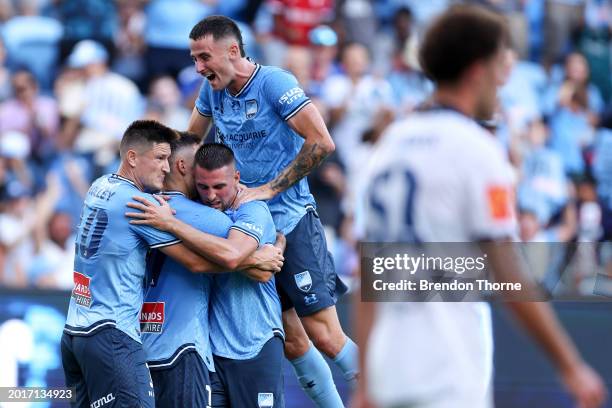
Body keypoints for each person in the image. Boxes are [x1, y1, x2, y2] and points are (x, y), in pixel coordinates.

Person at [354, 5, 607, 408]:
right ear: (477, 70)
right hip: (447, 371)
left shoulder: (389, 146)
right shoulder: (474, 147)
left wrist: (365, 384)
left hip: (390, 371)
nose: (504, 78)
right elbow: (509, 272)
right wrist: (570, 365)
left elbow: (370, 278)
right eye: (499, 65)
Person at [186, 15, 357, 407]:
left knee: (327, 336)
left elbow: (322, 142)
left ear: (233, 51)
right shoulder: (212, 90)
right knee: (293, 342)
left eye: (204, 57)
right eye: (194, 58)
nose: (199, 67)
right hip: (250, 230)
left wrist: (267, 189)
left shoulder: (274, 82)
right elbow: (190, 142)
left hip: (292, 220)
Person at [61, 120, 282, 408]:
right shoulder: (150, 208)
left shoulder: (100, 186)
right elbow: (208, 260)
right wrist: (263, 254)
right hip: (146, 341)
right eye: (161, 159)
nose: (165, 167)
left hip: (83, 332)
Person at [130, 142, 286, 406]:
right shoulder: (200, 215)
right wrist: (265, 253)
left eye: (219, 187)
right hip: (212, 352)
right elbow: (229, 262)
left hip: (254, 343)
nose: (211, 195)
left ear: (236, 178)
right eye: (203, 187)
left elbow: (245, 263)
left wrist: (170, 222)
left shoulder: (253, 210)